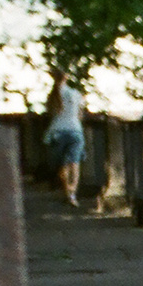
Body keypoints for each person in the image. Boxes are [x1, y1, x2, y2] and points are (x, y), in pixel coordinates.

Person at [43, 72, 86, 206]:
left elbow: (50, 114)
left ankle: (67, 191)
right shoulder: (76, 93)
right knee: (75, 163)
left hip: (58, 132)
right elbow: (80, 114)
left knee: (63, 165)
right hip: (75, 130)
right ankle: (73, 194)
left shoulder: (52, 96)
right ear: (66, 78)